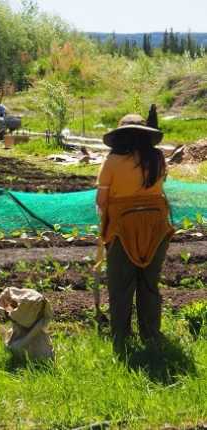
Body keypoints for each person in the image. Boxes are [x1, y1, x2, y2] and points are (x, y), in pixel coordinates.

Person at [97, 114, 173, 354]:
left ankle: (121, 338)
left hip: (123, 228)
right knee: (149, 283)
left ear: (120, 136)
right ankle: (151, 336)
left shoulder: (112, 162)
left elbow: (101, 201)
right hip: (155, 227)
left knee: (121, 285)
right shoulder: (158, 158)